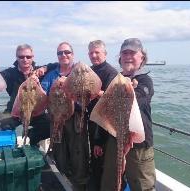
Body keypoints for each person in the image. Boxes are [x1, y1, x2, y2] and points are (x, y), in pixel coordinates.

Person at [100, 38, 156, 191]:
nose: (128, 56)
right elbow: (104, 109)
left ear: (142, 57)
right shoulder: (115, 80)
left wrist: (130, 91)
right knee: (110, 182)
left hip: (138, 143)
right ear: (120, 57)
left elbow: (142, 98)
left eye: (132, 52)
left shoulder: (144, 80)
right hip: (114, 139)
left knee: (142, 185)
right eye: (125, 53)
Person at [0, 44, 57, 146]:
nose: (25, 59)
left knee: (52, 125)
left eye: (28, 57)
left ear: (32, 57)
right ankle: (10, 146)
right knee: (1, 124)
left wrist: (45, 68)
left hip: (36, 112)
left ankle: (32, 137)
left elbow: (57, 65)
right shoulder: (10, 73)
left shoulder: (39, 72)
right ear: (17, 57)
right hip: (15, 111)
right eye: (21, 57)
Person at [41, 42, 90, 191]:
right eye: (60, 53)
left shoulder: (81, 71)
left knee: (78, 154)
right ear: (57, 56)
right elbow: (42, 96)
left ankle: (79, 184)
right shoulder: (51, 75)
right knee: (59, 152)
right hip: (56, 119)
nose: (64, 55)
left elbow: (88, 94)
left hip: (76, 119)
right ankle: (63, 180)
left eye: (67, 52)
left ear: (72, 54)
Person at [86, 40, 118, 190]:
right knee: (94, 157)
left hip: (103, 125)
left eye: (97, 52)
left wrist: (100, 139)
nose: (93, 55)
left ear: (105, 54)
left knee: (101, 159)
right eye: (91, 53)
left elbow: (113, 102)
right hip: (91, 121)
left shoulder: (111, 73)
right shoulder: (90, 70)